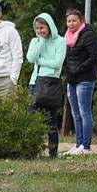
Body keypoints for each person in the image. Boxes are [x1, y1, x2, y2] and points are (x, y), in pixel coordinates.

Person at [62, 9, 97, 155]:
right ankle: (78, 144)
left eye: (74, 20)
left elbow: (95, 55)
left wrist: (79, 68)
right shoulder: (67, 36)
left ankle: (86, 147)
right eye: (69, 21)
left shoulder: (88, 34)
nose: (71, 23)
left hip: (85, 79)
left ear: (81, 21)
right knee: (75, 113)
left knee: (85, 112)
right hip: (71, 79)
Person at [26, 12, 65, 157]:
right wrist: (41, 42)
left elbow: (57, 63)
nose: (39, 31)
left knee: (51, 122)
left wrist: (41, 62)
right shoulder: (35, 41)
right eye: (37, 28)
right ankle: (32, 151)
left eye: (42, 28)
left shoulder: (60, 41)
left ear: (49, 26)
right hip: (34, 84)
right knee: (31, 119)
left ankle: (53, 153)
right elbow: (31, 58)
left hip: (50, 85)